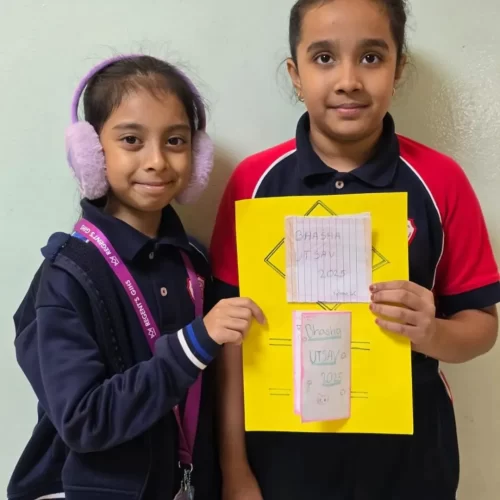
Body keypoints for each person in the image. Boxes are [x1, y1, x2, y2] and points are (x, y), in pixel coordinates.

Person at [209, 0, 500, 498]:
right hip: (284, 459)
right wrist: (235, 469)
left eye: (371, 57)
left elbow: (483, 327)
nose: (348, 80)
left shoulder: (441, 181)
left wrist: (432, 332)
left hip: (411, 460)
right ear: (295, 74)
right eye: (324, 58)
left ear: (398, 68)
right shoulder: (253, 184)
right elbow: (231, 344)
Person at [8, 54, 264, 500]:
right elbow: (84, 421)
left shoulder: (193, 262)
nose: (157, 161)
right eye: (131, 140)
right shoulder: (66, 276)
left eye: (175, 141)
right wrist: (194, 344)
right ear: (90, 153)